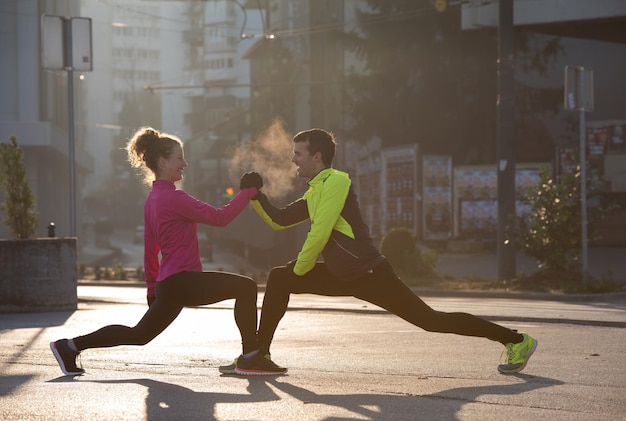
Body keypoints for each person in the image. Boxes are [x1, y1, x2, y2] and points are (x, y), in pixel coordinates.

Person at [234, 128, 537, 375]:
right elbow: (280, 220)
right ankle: (259, 354)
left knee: (432, 321)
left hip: (369, 274)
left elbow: (321, 231)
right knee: (279, 278)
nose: (293, 160)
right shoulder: (314, 190)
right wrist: (257, 197)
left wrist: (301, 269)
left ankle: (516, 340)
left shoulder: (337, 181)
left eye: (298, 153)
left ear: (317, 156)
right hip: (343, 274)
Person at [50, 127, 281, 376]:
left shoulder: (153, 199)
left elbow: (151, 247)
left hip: (168, 284)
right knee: (246, 288)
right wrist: (247, 193)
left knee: (138, 335)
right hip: (182, 281)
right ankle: (250, 357)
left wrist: (152, 287)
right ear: (162, 161)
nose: (185, 163)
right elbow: (220, 217)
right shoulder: (175, 199)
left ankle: (70, 346)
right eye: (179, 158)